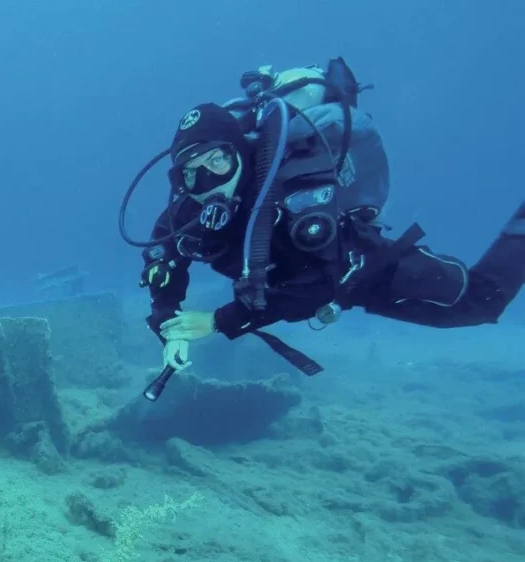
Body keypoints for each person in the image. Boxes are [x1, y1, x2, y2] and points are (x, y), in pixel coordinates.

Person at [118, 58, 524, 399]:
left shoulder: (293, 190)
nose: (206, 182)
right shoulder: (190, 209)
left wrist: (219, 321)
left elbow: (321, 285)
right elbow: (163, 257)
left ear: (239, 152)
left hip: (358, 268)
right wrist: (166, 319)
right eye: (190, 173)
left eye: (216, 162)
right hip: (308, 287)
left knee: (478, 302)